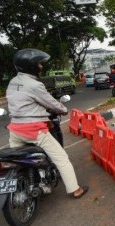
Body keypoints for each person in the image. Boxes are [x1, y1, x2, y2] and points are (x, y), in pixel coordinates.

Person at [6, 48, 88, 199]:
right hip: (34, 130)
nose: (41, 67)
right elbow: (51, 103)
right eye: (39, 64)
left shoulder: (13, 82)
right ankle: (75, 189)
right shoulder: (34, 85)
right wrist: (63, 109)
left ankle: (29, 182)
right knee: (62, 159)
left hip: (15, 130)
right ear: (30, 66)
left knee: (19, 161)